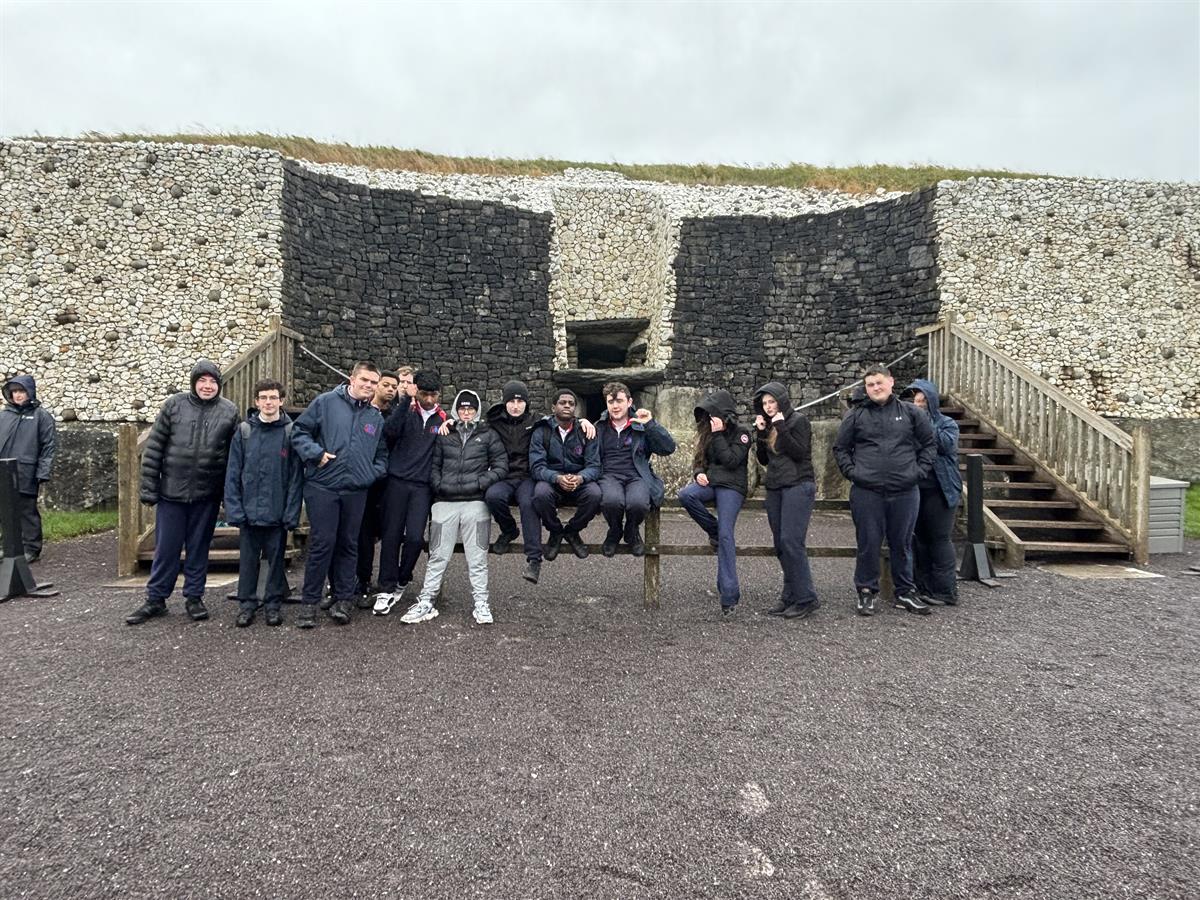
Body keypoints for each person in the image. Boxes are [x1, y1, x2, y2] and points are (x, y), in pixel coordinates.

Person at [126, 360, 239, 625]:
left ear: (218, 386)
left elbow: (233, 458)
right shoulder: (174, 405)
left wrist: (229, 497)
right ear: (194, 382)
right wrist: (149, 488)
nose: (207, 386)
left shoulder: (229, 412)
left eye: (212, 382)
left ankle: (194, 597)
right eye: (202, 381)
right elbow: (154, 450)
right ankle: (156, 599)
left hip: (206, 493)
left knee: (199, 549)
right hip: (172, 492)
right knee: (166, 549)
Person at [833, 364, 936, 617]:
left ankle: (904, 591)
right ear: (865, 389)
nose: (875, 388)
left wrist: (918, 472)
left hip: (905, 490)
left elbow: (929, 444)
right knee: (868, 543)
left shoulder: (911, 413)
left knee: (902, 543)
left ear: (891, 382)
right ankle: (866, 591)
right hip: (867, 491)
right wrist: (853, 473)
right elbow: (840, 448)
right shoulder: (855, 416)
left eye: (879, 382)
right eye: (870, 385)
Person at [291, 362, 387, 629]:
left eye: (373, 382)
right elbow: (299, 432)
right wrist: (315, 454)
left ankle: (344, 599)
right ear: (352, 378)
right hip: (323, 486)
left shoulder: (375, 418)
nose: (368, 386)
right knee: (322, 544)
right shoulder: (325, 403)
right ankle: (309, 603)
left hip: (356, 490)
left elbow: (381, 456)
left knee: (348, 544)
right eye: (364, 380)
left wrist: (370, 474)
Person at [400, 389, 507, 626]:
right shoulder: (444, 434)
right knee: (438, 555)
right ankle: (426, 600)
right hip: (445, 502)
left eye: (470, 408)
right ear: (456, 410)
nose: (466, 412)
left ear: (477, 410)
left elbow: (501, 466)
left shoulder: (487, 434)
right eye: (462, 408)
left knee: (477, 556)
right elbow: (434, 465)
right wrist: (438, 485)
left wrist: (480, 483)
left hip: (475, 503)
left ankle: (481, 602)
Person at [224, 379, 303, 627]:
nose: (268, 402)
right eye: (263, 398)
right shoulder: (244, 432)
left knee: (275, 561)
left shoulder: (290, 433)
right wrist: (234, 509)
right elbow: (233, 473)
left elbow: (295, 478)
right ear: (256, 401)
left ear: (281, 401)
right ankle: (247, 604)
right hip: (248, 512)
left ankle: (272, 604)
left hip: (277, 512)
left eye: (273, 398)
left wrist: (291, 513)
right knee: (247, 562)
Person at [373, 371, 447, 615]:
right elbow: (389, 431)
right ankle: (385, 587)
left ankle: (403, 579)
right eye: (424, 394)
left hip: (422, 487)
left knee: (415, 538)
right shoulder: (405, 411)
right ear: (417, 391)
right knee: (391, 536)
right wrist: (406, 400)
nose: (429, 399)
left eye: (433, 394)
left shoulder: (442, 420)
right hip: (396, 481)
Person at [752, 382, 822, 620]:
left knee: (791, 541)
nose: (768, 407)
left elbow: (799, 452)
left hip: (798, 485)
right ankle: (790, 595)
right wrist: (761, 434)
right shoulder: (770, 424)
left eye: (772, 402)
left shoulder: (798, 421)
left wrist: (781, 427)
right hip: (776, 487)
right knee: (781, 545)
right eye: (764, 403)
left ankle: (806, 598)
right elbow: (764, 459)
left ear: (782, 400)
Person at [678, 389, 750, 616]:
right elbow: (700, 460)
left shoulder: (742, 434)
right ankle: (713, 529)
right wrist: (698, 472)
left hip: (732, 486)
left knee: (727, 533)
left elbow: (731, 461)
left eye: (712, 415)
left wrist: (718, 434)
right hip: (711, 483)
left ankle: (729, 593)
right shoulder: (707, 433)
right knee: (686, 495)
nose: (709, 421)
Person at [594, 382, 676, 557]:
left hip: (637, 475)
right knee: (612, 501)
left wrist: (650, 424)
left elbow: (668, 448)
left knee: (638, 503)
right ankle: (615, 531)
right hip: (609, 475)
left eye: (619, 401)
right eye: (610, 402)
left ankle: (631, 531)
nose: (615, 406)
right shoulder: (599, 427)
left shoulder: (641, 425)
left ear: (629, 402)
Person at [528, 389, 602, 576]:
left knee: (595, 494)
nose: (567, 405)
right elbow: (536, 467)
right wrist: (557, 478)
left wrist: (581, 477)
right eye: (563, 402)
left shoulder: (586, 431)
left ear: (575, 408)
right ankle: (555, 531)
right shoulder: (541, 431)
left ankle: (571, 531)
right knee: (540, 494)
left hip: (578, 480)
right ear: (554, 407)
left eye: (571, 403)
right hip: (552, 480)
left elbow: (595, 466)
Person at [903, 378, 962, 606]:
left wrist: (925, 425)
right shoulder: (909, 425)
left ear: (931, 401)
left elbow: (948, 446)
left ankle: (946, 590)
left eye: (922, 400)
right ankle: (923, 586)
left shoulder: (947, 423)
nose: (918, 404)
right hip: (916, 488)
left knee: (939, 539)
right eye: (915, 401)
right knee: (919, 540)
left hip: (940, 488)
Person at [483, 380, 542, 581]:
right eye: (511, 401)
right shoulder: (494, 421)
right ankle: (509, 530)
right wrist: (450, 422)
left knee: (528, 503)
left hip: (527, 477)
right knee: (493, 496)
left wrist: (583, 421)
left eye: (520, 401)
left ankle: (534, 559)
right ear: (504, 403)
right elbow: (470, 424)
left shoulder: (536, 420)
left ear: (526, 403)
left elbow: (561, 420)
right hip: (505, 475)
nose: (515, 406)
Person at [353, 368, 400, 602]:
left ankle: (374, 580)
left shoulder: (396, 414)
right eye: (386, 385)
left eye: (394, 387)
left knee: (380, 533)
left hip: (386, 482)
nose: (390, 390)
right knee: (360, 534)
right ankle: (358, 581)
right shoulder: (361, 411)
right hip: (363, 480)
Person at [0, 375, 57, 564]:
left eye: (21, 391)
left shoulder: (42, 416)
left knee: (27, 511)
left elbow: (48, 446)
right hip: (3, 470)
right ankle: (8, 547)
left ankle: (31, 548)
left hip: (27, 472)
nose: (17, 395)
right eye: (14, 391)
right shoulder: (4, 416)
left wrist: (43, 472)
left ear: (30, 392)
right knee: (5, 511)